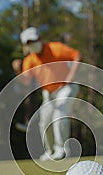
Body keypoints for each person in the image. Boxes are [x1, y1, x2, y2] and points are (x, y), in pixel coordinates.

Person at [12, 27, 81, 161]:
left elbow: (76, 55)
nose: (33, 44)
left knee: (59, 114)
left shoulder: (55, 48)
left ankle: (61, 150)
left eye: (34, 40)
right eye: (29, 43)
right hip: (48, 92)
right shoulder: (30, 60)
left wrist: (72, 74)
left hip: (66, 86)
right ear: (26, 46)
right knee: (44, 121)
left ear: (40, 38)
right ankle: (50, 151)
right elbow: (26, 81)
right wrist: (17, 71)